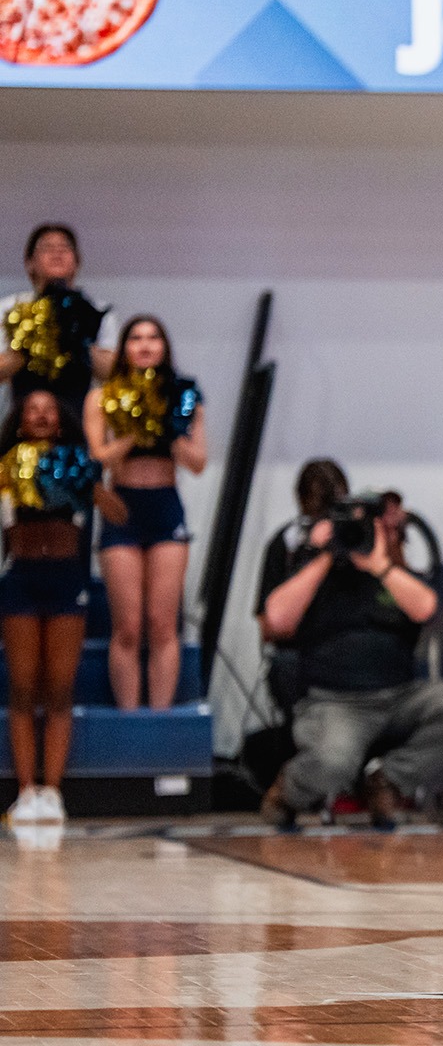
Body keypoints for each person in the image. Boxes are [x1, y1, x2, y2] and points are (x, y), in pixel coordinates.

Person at [256, 463, 443, 831]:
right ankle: (289, 790)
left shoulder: (391, 572)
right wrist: (326, 555)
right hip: (335, 701)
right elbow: (276, 619)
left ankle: (388, 780)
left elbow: (426, 608)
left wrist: (379, 564)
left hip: (398, 696)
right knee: (334, 763)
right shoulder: (315, 570)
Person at [0, 390, 123, 826]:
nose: (40, 415)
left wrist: (88, 481)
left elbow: (118, 514)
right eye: (31, 409)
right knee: (22, 688)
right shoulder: (6, 466)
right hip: (21, 579)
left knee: (58, 688)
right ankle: (25, 791)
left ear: (60, 422)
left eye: (48, 409)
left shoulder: (76, 466)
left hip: (66, 580)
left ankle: (52, 792)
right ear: (19, 422)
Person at [83, 315, 206, 710]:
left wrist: (167, 429)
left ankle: (159, 719)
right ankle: (129, 718)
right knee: (128, 626)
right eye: (135, 338)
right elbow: (96, 457)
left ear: (165, 347)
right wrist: (133, 430)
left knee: (162, 623)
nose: (145, 345)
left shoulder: (183, 395)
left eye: (154, 337)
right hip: (124, 510)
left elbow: (198, 462)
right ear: (124, 349)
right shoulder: (103, 397)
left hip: (165, 508)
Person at [0, 224, 121, 414]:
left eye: (65, 248)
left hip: (79, 420)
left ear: (76, 263)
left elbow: (114, 374)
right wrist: (29, 340)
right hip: (21, 419)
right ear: (30, 263)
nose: (57, 253)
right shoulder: (10, 308)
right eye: (47, 248)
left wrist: (79, 338)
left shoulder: (96, 311)